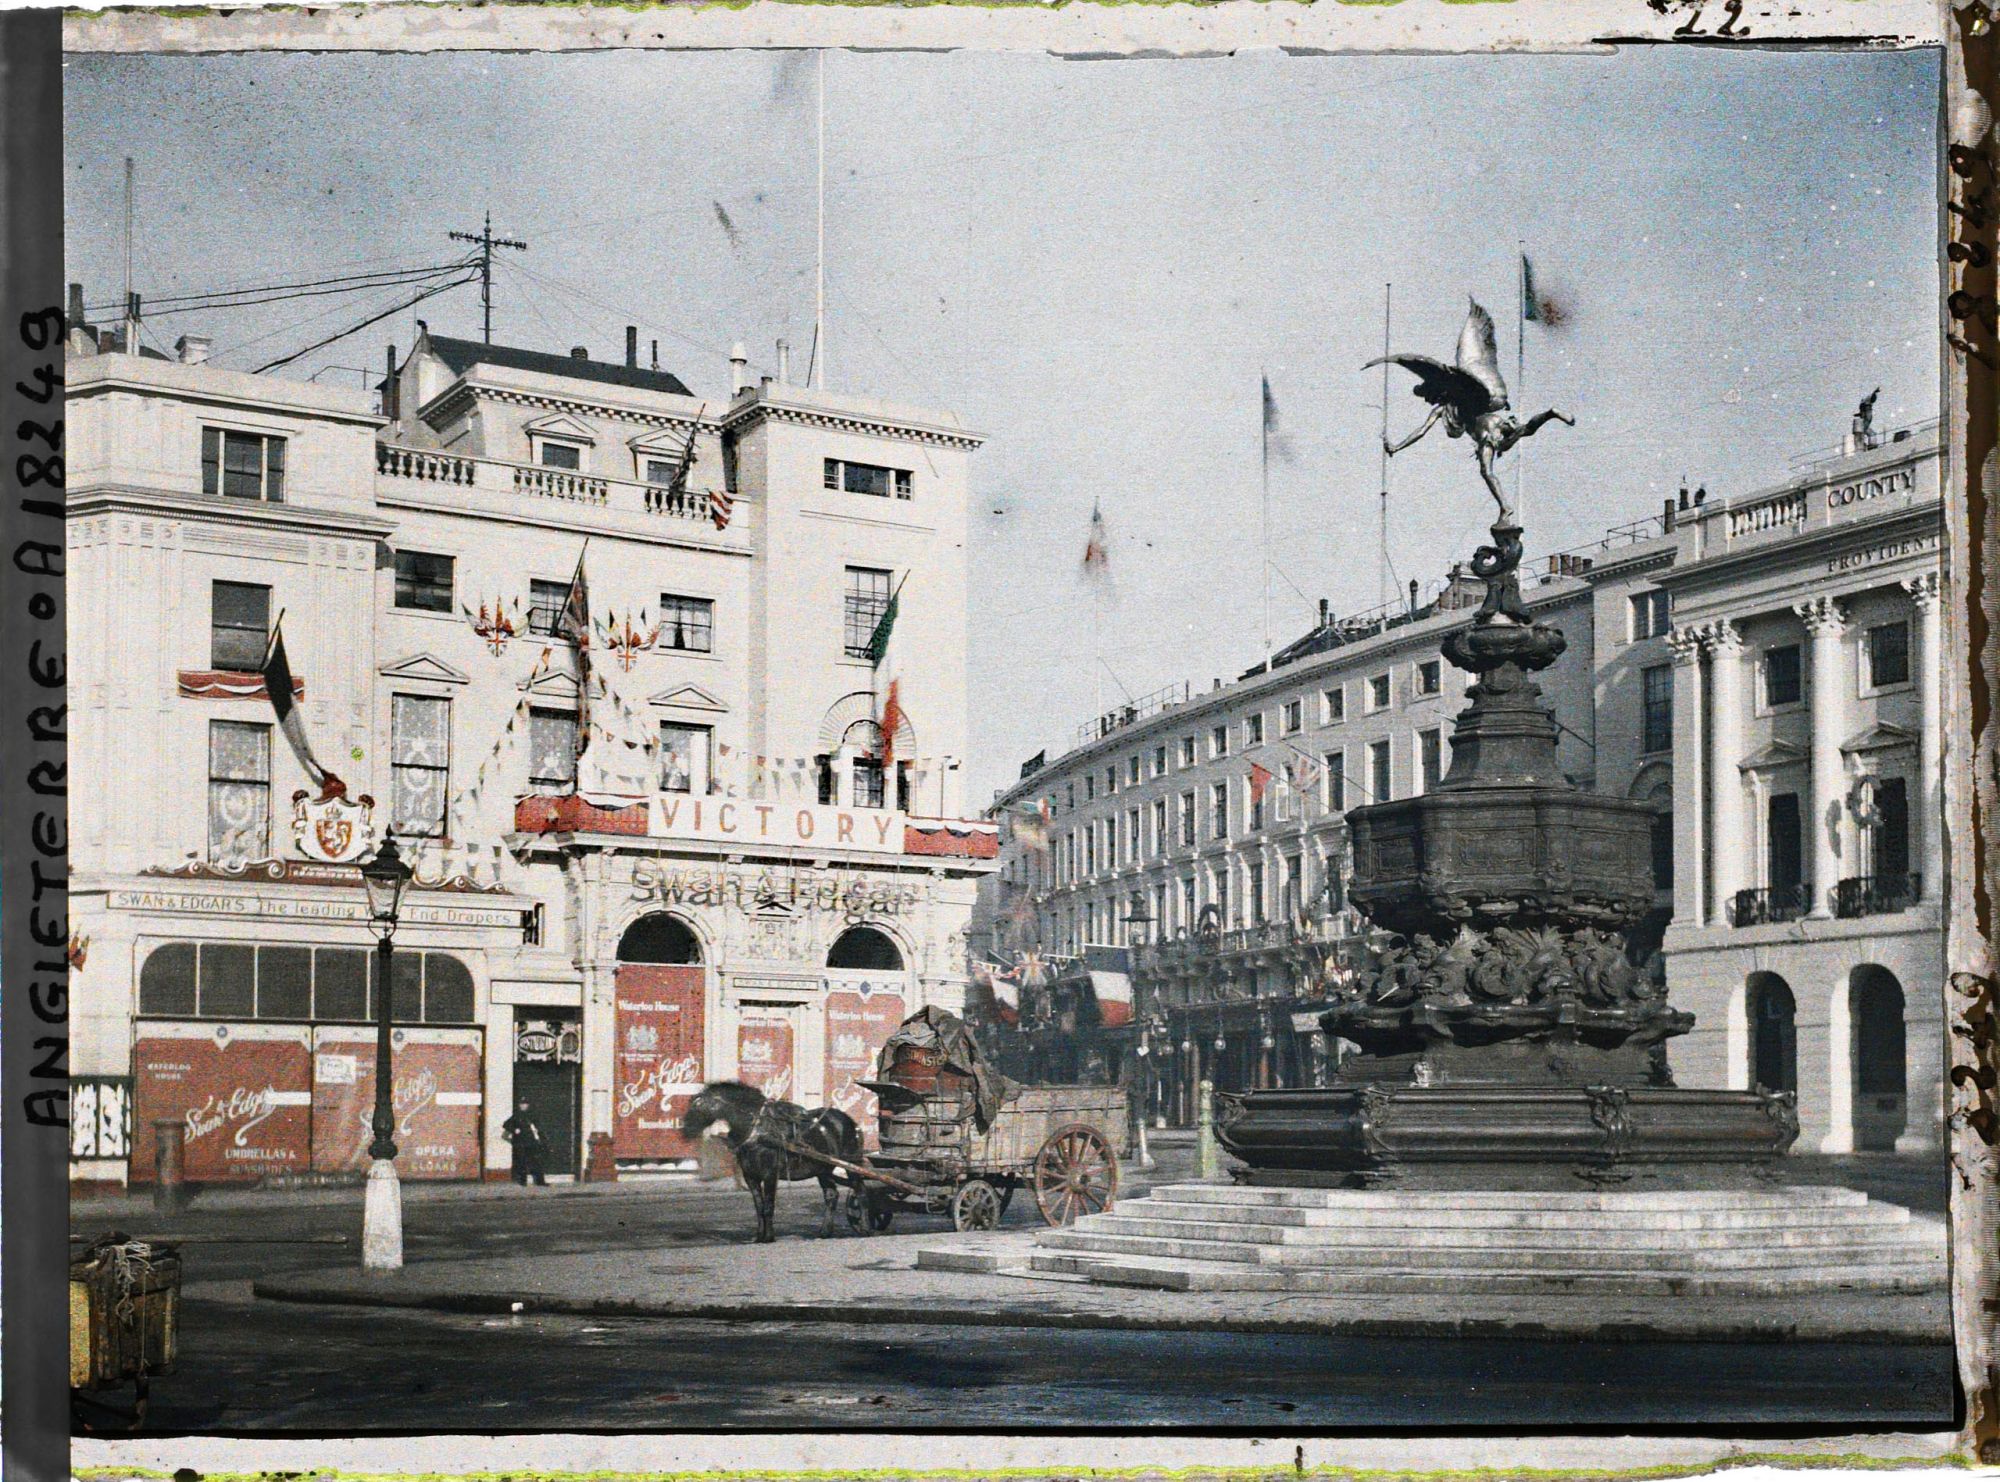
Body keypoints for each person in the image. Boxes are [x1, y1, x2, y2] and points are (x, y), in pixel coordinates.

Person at [501, 1097, 547, 1187]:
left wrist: (541, 1139)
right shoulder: (517, 1116)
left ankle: (540, 1181)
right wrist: (514, 1130)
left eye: (525, 1104)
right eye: (521, 1104)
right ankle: (523, 1182)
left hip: (532, 1142)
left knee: (536, 1162)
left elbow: (538, 1128)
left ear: (528, 1105)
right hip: (521, 1143)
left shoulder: (532, 1115)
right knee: (522, 1163)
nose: (523, 1106)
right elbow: (505, 1124)